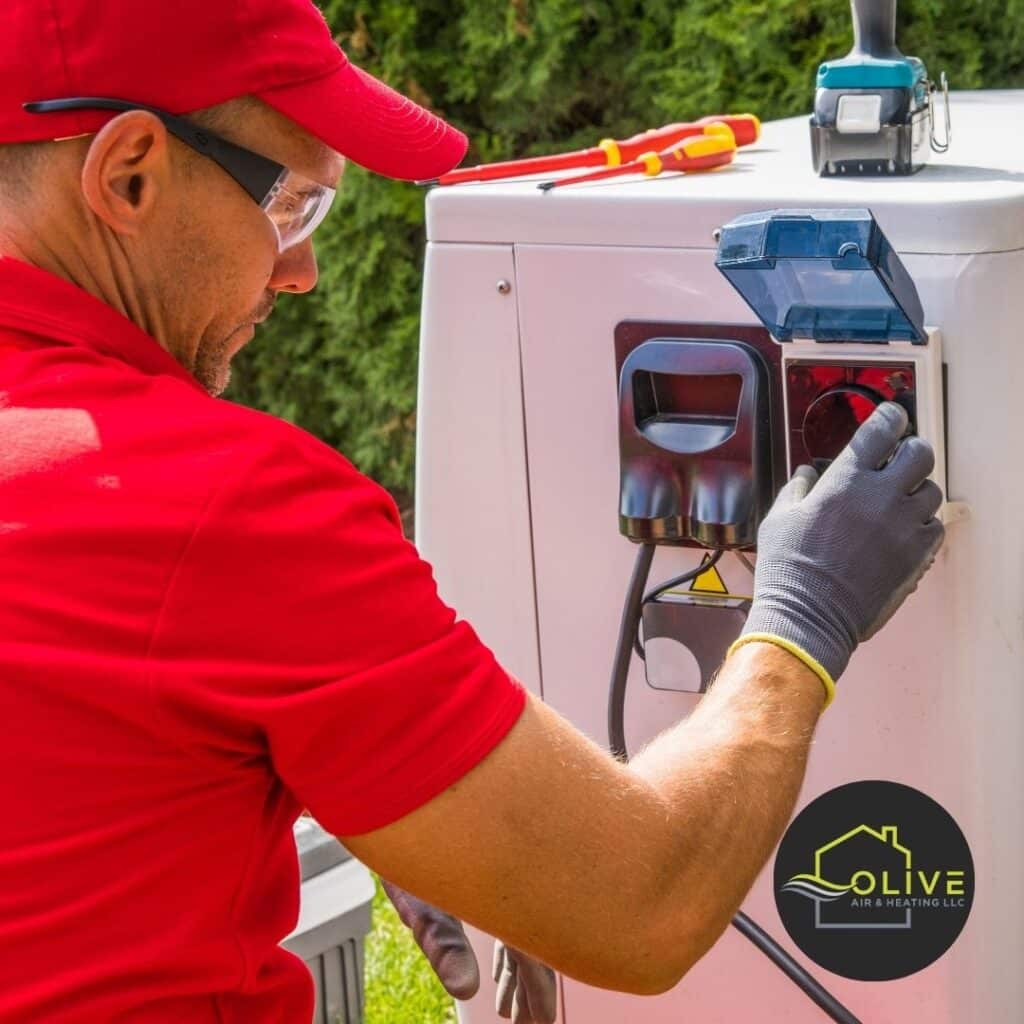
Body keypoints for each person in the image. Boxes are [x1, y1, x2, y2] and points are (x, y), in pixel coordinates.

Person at [0, 1, 944, 1023]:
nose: (302, 272)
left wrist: (360, 761)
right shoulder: (218, 503)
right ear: (130, 172)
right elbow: (640, 900)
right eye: (290, 209)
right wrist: (803, 618)